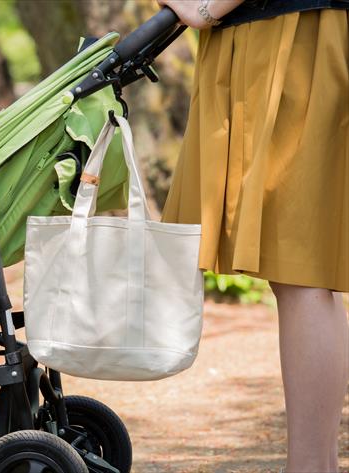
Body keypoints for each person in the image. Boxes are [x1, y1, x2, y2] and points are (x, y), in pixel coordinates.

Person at [156, 1, 348, 472]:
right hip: (273, 30)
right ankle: (315, 464)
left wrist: (207, 4)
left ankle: (307, 467)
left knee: (301, 270)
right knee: (302, 274)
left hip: (291, 36)